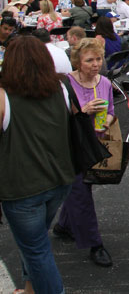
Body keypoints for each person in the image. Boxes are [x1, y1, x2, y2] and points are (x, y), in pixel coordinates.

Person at [0, 36, 75, 294]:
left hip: (22, 188)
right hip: (59, 180)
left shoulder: (4, 98)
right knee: (34, 242)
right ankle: (31, 288)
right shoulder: (61, 89)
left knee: (36, 249)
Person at [55, 38, 115, 267]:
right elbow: (57, 116)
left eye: (98, 58)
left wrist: (106, 122)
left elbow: (110, 110)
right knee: (81, 192)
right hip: (71, 145)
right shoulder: (66, 84)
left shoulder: (106, 83)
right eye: (89, 60)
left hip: (94, 143)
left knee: (79, 189)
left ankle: (63, 226)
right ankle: (94, 244)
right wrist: (83, 111)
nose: (95, 64)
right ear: (77, 62)